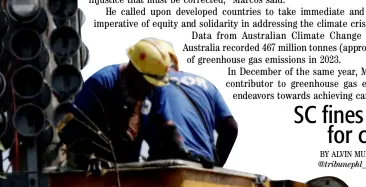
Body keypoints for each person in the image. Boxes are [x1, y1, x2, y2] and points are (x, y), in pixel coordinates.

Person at [56, 38, 180, 171]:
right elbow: (70, 129)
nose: (151, 88)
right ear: (133, 71)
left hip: (127, 168)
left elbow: (165, 131)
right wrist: (88, 157)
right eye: (148, 83)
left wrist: (177, 151)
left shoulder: (155, 88)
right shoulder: (102, 83)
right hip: (92, 171)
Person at [147, 39, 238, 168]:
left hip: (167, 167)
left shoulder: (150, 84)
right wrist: (217, 165)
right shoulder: (207, 84)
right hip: (205, 166)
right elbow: (231, 127)